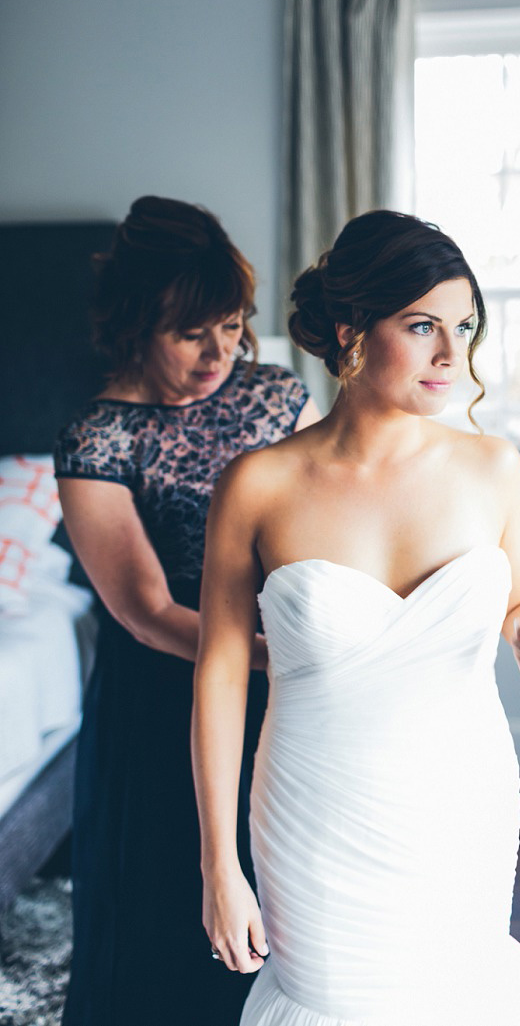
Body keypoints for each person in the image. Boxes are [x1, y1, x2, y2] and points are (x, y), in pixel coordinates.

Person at [191, 209, 520, 1025]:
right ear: (350, 329)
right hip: (314, 813)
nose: (454, 355)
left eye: (465, 326)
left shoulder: (492, 468)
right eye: (423, 326)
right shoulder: (258, 485)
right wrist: (219, 865)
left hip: (463, 801)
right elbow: (222, 671)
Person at [54, 194, 319, 1026]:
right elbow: (145, 610)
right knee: (164, 899)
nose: (220, 353)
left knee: (279, 887)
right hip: (161, 693)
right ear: (138, 325)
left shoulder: (278, 398)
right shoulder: (98, 436)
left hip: (280, 682)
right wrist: (274, 655)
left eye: (233, 325)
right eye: (191, 332)